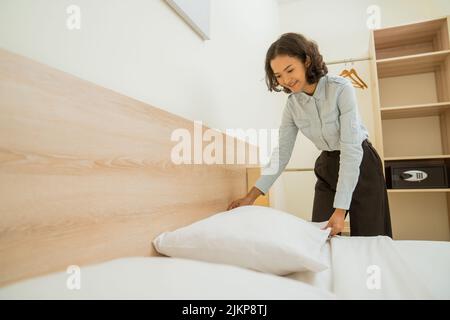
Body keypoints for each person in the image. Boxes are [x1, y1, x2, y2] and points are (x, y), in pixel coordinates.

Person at [227, 33, 392, 238]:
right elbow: (282, 153)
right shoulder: (292, 106)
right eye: (278, 76)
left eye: (289, 70)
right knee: (320, 237)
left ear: (306, 61)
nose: (286, 80)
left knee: (371, 239)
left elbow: (351, 148)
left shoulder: (341, 89)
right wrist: (250, 197)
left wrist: (340, 211)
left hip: (361, 163)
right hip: (328, 165)